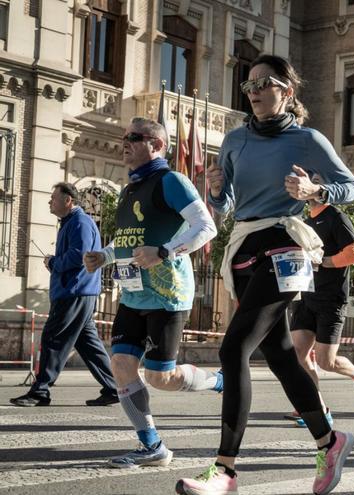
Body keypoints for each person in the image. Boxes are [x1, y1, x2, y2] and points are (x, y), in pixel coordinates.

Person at [175, 55, 354, 495]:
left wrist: (317, 190)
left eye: (265, 83)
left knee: (235, 347)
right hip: (246, 247)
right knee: (279, 355)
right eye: (250, 84)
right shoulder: (235, 140)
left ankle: (225, 471)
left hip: (287, 243)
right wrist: (219, 190)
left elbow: (352, 187)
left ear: (287, 92)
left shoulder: (308, 140)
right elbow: (228, 204)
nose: (254, 90)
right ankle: (330, 441)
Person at [82, 117, 221, 469]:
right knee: (121, 365)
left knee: (162, 378)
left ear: (157, 145)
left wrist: (164, 251)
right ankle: (152, 445)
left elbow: (206, 227)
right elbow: (128, 239)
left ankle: (218, 380)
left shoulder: (170, 181)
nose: (124, 142)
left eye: (134, 137)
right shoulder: (129, 189)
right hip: (133, 295)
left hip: (166, 295)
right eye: (123, 137)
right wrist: (105, 255)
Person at [10, 183, 117, 407]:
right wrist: (56, 263)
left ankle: (40, 391)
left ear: (68, 201)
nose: (50, 202)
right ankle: (115, 388)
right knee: (89, 344)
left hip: (75, 292)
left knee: (53, 338)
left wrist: (53, 262)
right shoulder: (72, 222)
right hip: (77, 292)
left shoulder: (80, 222)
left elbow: (79, 256)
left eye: (54, 198)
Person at [286, 176, 354, 426]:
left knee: (326, 362)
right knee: (298, 354)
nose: (307, 184)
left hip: (331, 300)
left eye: (314, 180)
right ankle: (316, 408)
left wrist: (323, 262)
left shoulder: (336, 217)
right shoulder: (304, 222)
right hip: (307, 297)